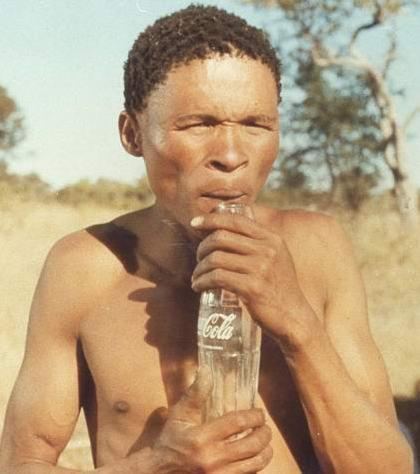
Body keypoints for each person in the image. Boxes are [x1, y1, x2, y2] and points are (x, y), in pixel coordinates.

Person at [0, 4, 414, 473]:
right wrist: (156, 466)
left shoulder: (317, 248)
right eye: (200, 124)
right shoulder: (84, 268)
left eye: (256, 125)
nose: (232, 155)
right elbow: (20, 464)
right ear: (132, 133)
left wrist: (297, 323)